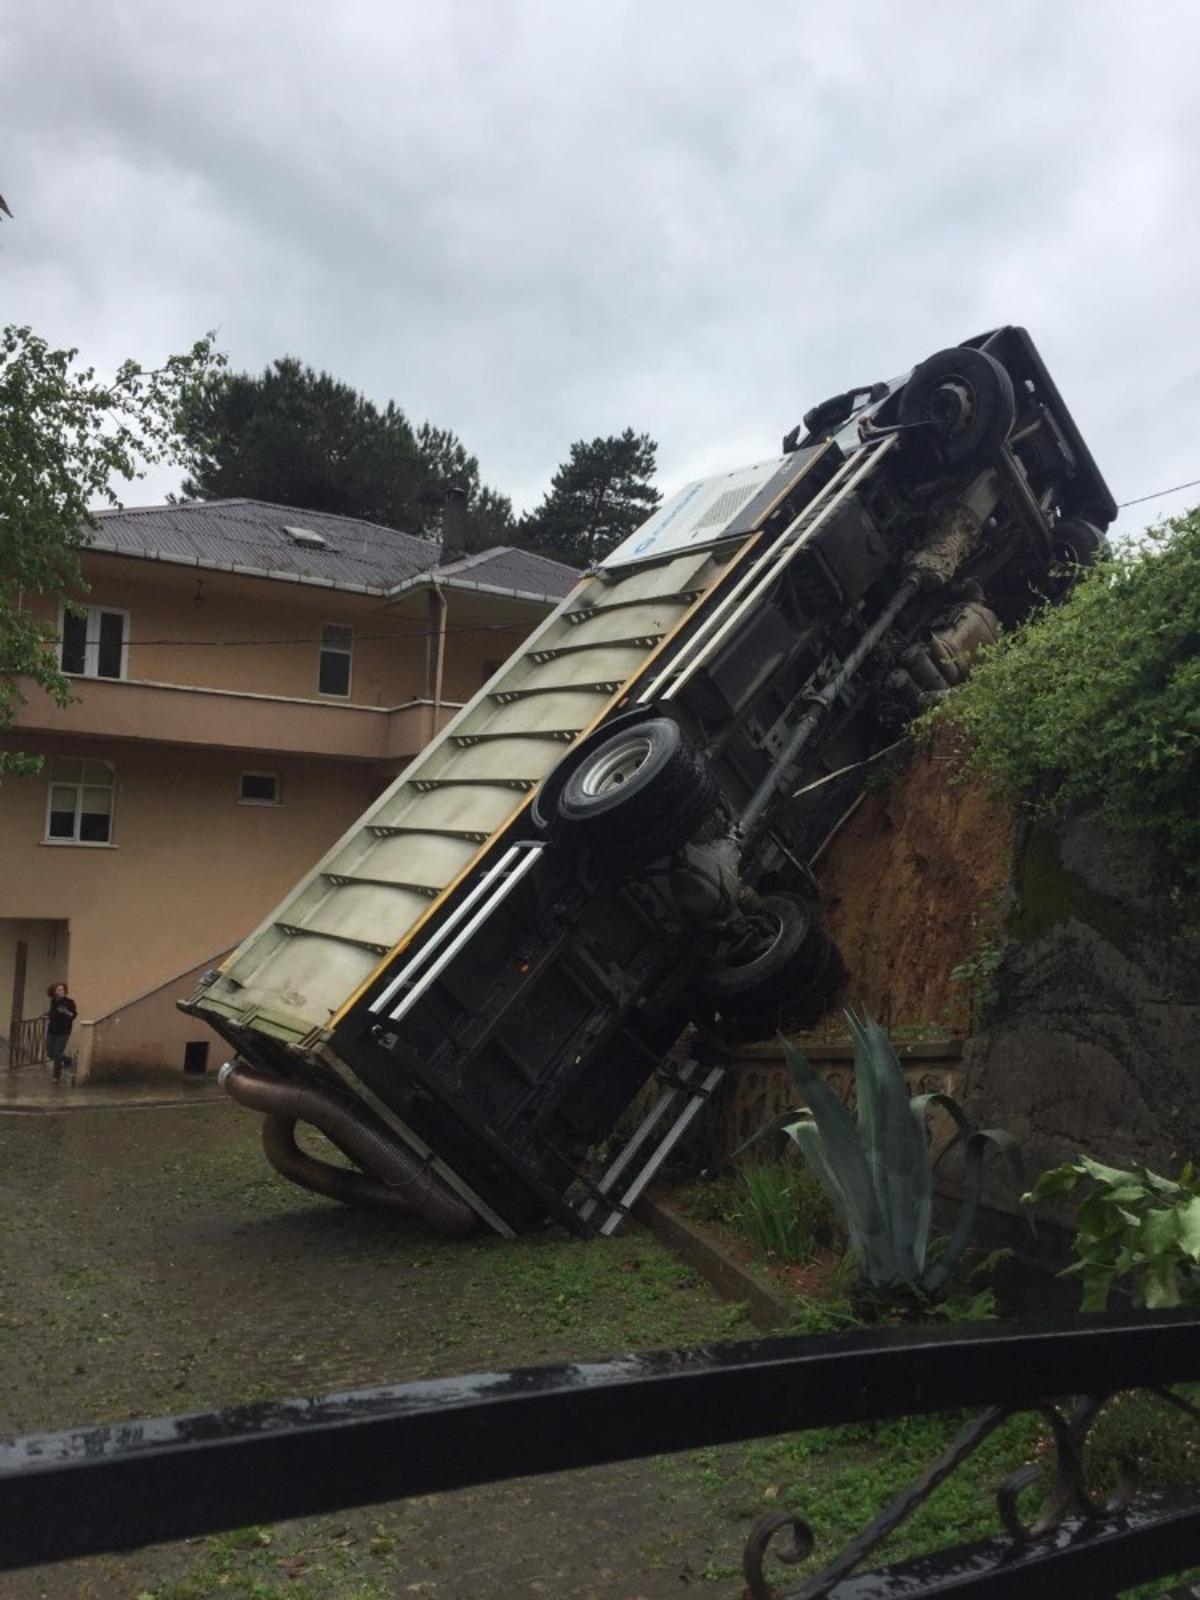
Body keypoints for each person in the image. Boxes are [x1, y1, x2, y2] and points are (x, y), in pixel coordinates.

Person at [45, 983, 78, 1083]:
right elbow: (52, 1013)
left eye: (63, 989)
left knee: (58, 1053)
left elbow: (73, 1015)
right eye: (59, 990)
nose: (62, 991)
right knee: (50, 1053)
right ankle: (68, 1060)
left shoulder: (69, 1002)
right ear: (54, 992)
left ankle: (56, 1077)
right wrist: (46, 1015)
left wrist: (66, 1012)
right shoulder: (53, 1002)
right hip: (52, 1030)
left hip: (63, 1031)